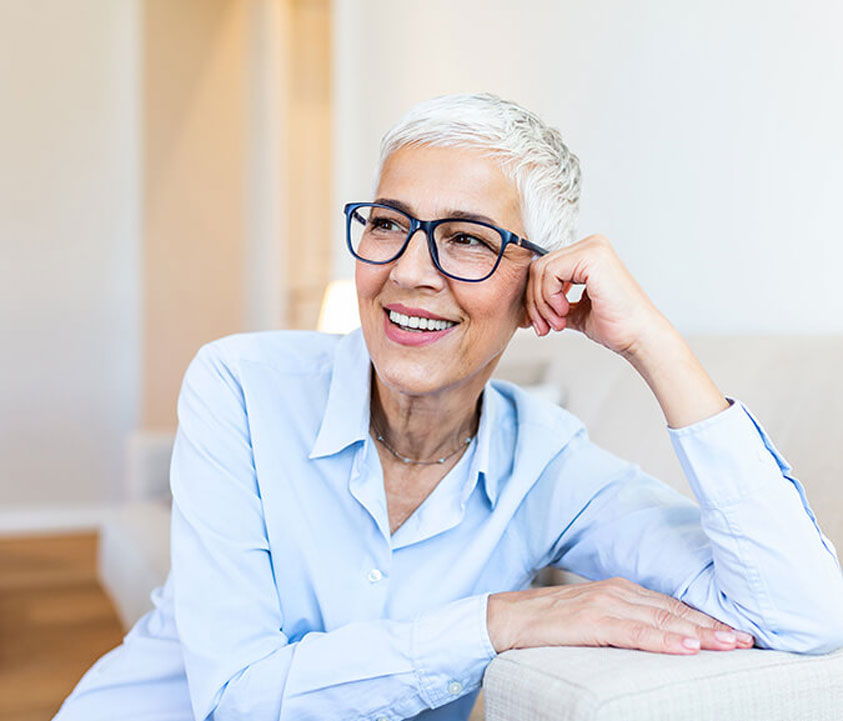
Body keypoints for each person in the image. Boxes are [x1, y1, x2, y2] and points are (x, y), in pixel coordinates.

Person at [53, 92, 843, 721]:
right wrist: (502, 619)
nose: (407, 271)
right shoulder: (241, 384)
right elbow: (239, 700)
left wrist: (651, 342)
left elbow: (806, 614)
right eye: (389, 223)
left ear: (544, 285)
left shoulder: (551, 466)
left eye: (464, 238)